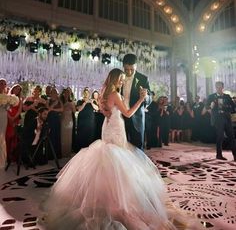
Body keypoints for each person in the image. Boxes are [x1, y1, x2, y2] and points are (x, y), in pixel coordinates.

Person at [42, 68, 201, 230]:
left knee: (108, 161)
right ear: (116, 78)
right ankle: (118, 201)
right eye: (121, 79)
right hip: (116, 128)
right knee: (117, 162)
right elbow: (128, 113)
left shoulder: (104, 92)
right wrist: (140, 99)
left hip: (108, 127)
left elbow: (104, 111)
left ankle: (106, 199)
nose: (122, 81)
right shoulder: (115, 94)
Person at [122, 53, 151, 149]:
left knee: (138, 146)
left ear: (136, 66)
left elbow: (149, 99)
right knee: (122, 145)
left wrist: (145, 96)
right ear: (123, 66)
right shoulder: (119, 76)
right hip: (120, 116)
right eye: (126, 69)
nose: (129, 72)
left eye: (132, 69)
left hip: (136, 117)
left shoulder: (143, 79)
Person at [207, 81, 236, 161]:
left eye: (220, 87)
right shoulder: (211, 96)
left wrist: (227, 108)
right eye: (217, 87)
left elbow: (233, 107)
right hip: (218, 119)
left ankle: (235, 155)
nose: (219, 89)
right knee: (220, 137)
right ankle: (219, 155)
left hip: (226, 118)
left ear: (223, 87)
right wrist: (210, 106)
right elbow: (207, 107)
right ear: (215, 87)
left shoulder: (227, 96)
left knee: (231, 137)